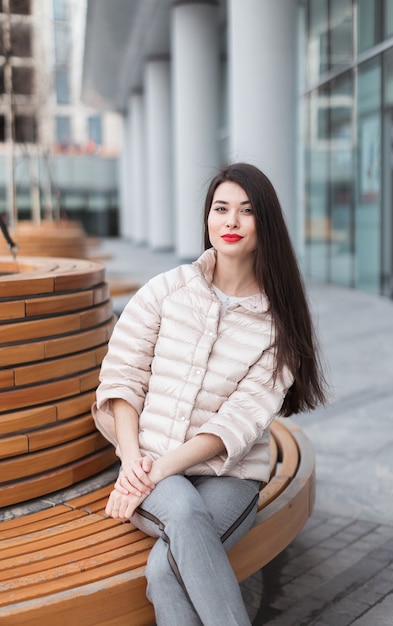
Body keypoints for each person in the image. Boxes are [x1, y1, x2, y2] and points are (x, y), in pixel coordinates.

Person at [92, 162, 327, 626]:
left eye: (246, 211)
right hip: (149, 459)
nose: (231, 222)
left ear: (267, 224)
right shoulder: (166, 291)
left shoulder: (279, 327)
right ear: (207, 218)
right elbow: (122, 380)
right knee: (180, 510)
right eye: (221, 209)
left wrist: (150, 473)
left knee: (164, 570)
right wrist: (134, 457)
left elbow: (236, 423)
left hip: (229, 474)